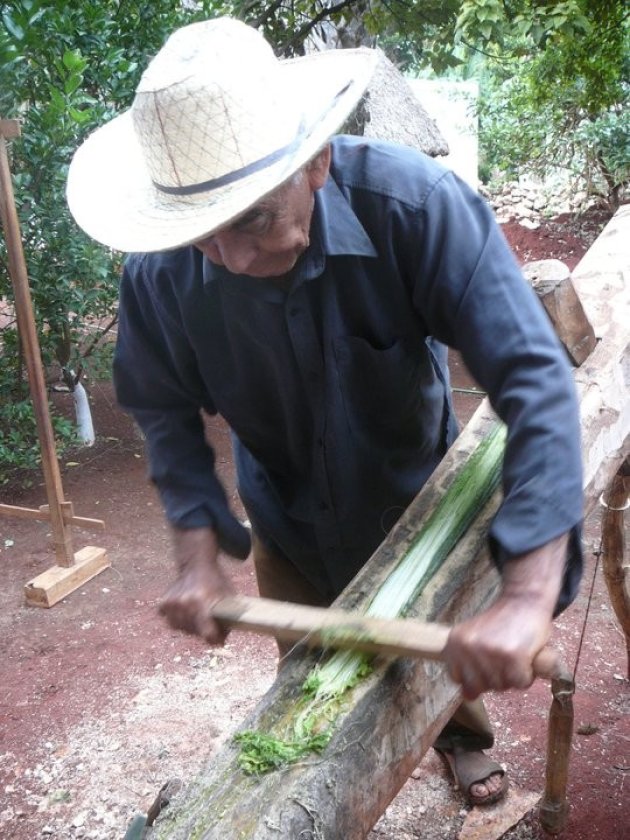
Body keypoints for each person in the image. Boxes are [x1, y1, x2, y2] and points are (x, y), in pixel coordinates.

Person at [66, 17, 583, 808]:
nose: (232, 258)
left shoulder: (417, 208)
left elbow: (536, 382)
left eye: (253, 220)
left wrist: (525, 594)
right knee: (314, 670)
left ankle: (462, 737)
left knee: (439, 655)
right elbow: (163, 412)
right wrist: (199, 558)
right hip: (287, 503)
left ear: (317, 162)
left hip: (412, 480)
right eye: (203, 235)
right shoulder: (159, 277)